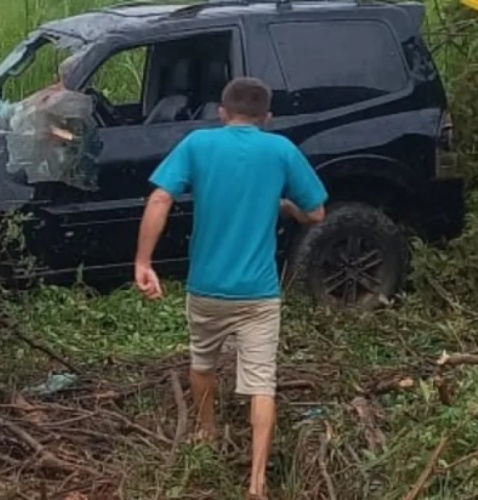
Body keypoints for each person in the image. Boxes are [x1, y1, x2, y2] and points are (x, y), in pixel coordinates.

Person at [134, 77, 327, 499]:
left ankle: (206, 431)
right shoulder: (280, 150)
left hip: (207, 288)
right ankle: (257, 483)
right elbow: (317, 213)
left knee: (202, 363)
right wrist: (286, 205)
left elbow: (159, 200)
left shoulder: (199, 144)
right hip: (259, 294)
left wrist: (143, 263)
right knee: (262, 383)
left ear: (222, 113)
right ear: (267, 118)